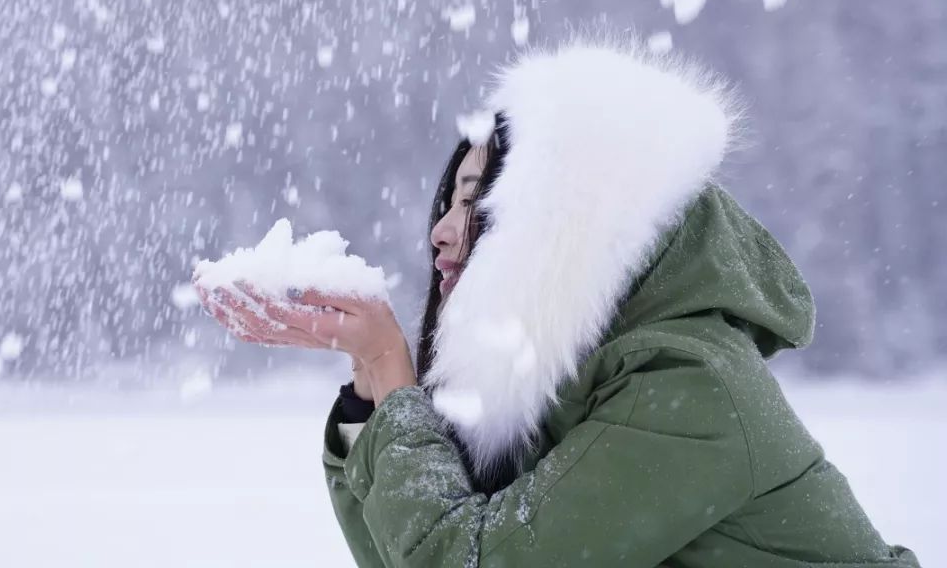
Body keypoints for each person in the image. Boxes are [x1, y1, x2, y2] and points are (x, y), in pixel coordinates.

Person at [196, 41, 922, 567]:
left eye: (478, 200)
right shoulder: (566, 393)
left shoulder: (693, 392)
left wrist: (395, 380)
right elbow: (404, 552)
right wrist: (369, 395)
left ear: (568, 224)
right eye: (446, 202)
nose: (442, 231)